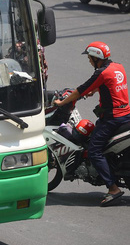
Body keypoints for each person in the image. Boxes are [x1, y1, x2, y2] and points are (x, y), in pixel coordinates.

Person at [53, 42, 130, 207]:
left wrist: (61, 103)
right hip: (125, 115)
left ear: (97, 58)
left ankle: (113, 188)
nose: (89, 60)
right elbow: (111, 86)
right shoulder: (118, 67)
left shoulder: (101, 73)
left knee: (94, 151)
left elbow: (79, 91)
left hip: (112, 119)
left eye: (90, 58)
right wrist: (95, 91)